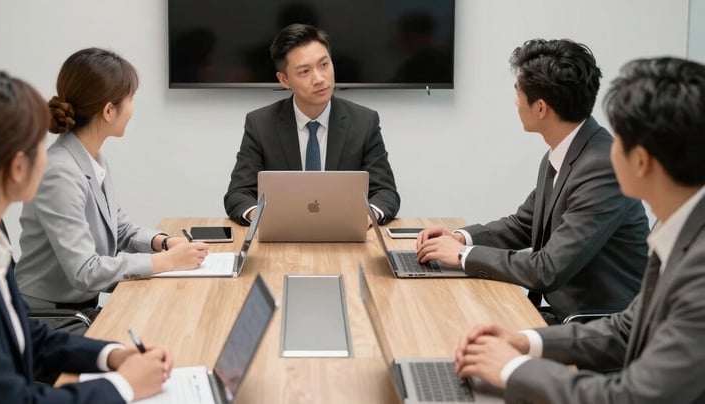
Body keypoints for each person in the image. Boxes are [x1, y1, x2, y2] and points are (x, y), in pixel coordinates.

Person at [454, 56, 705, 403]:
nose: (607, 144)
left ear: (642, 161)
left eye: (619, 138)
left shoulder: (699, 270)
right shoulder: (682, 228)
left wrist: (513, 369)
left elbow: (634, 397)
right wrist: (527, 341)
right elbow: (626, 329)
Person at [0, 69, 172, 402]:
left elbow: (24, 335)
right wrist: (124, 385)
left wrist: (112, 354)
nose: (50, 155)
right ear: (18, 168)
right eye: (39, 147)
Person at [416, 39, 649, 323]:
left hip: (594, 325)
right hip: (561, 314)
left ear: (540, 108)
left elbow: (548, 268)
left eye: (517, 92)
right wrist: (460, 238)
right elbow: (524, 224)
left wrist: (464, 255)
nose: (515, 101)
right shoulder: (569, 150)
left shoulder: (602, 167)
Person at [15, 48, 209, 319]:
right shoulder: (59, 173)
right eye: (130, 99)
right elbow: (86, 271)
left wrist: (164, 243)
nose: (131, 109)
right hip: (50, 319)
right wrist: (163, 262)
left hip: (79, 309)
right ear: (108, 110)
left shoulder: (91, 159)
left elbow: (121, 230)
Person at [224, 24, 400, 226]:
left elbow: (386, 192)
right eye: (304, 71)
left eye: (324, 65)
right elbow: (238, 194)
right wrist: (259, 215)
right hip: (284, 234)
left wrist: (370, 215)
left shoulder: (364, 122)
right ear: (284, 80)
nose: (319, 79)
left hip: (344, 234)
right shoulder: (260, 124)